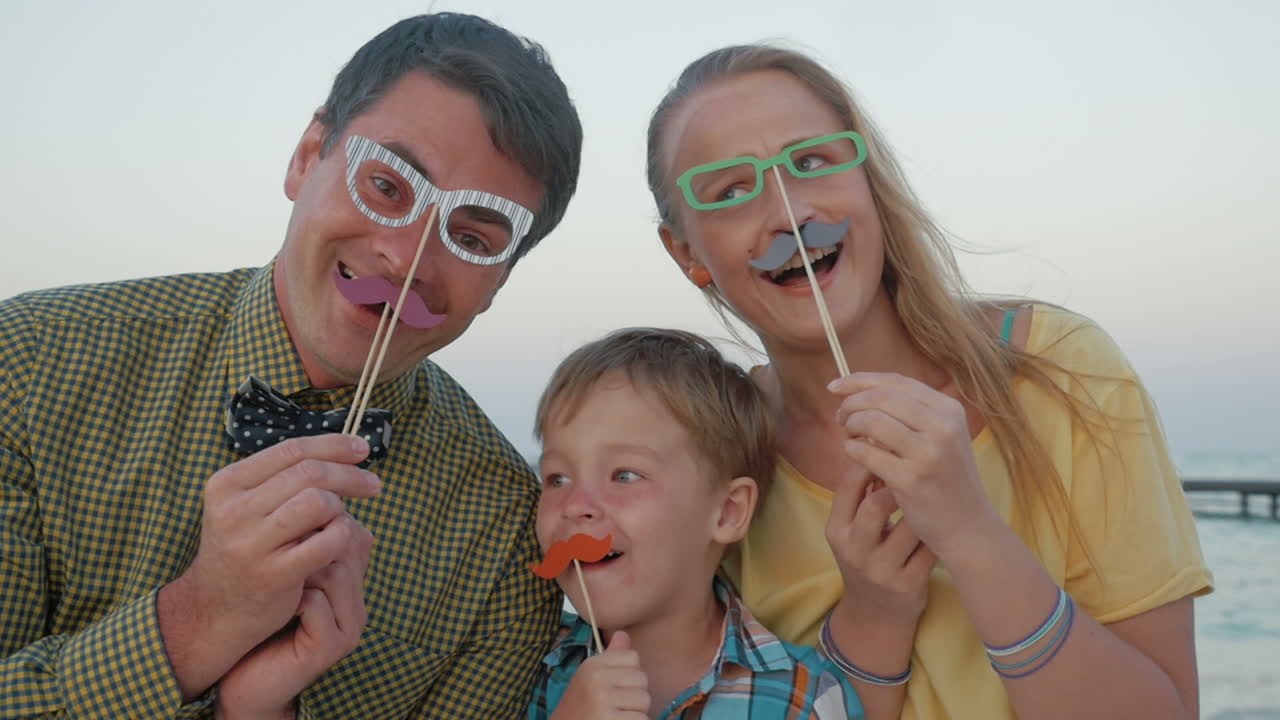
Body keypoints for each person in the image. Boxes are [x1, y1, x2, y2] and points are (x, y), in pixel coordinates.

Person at [0, 13, 581, 719]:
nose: (405, 258)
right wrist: (197, 622)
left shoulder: (503, 536)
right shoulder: (25, 363)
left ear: (499, 281)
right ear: (306, 157)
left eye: (472, 237)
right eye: (388, 186)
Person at [644, 45, 1212, 720]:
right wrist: (869, 620)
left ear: (869, 181)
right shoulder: (714, 458)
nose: (790, 214)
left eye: (812, 161)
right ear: (687, 253)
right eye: (731, 191)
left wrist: (971, 535)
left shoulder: (1064, 369)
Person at [528, 327, 864, 719]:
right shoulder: (525, 661)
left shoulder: (802, 699)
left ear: (727, 512)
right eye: (557, 479)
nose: (575, 506)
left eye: (625, 475)